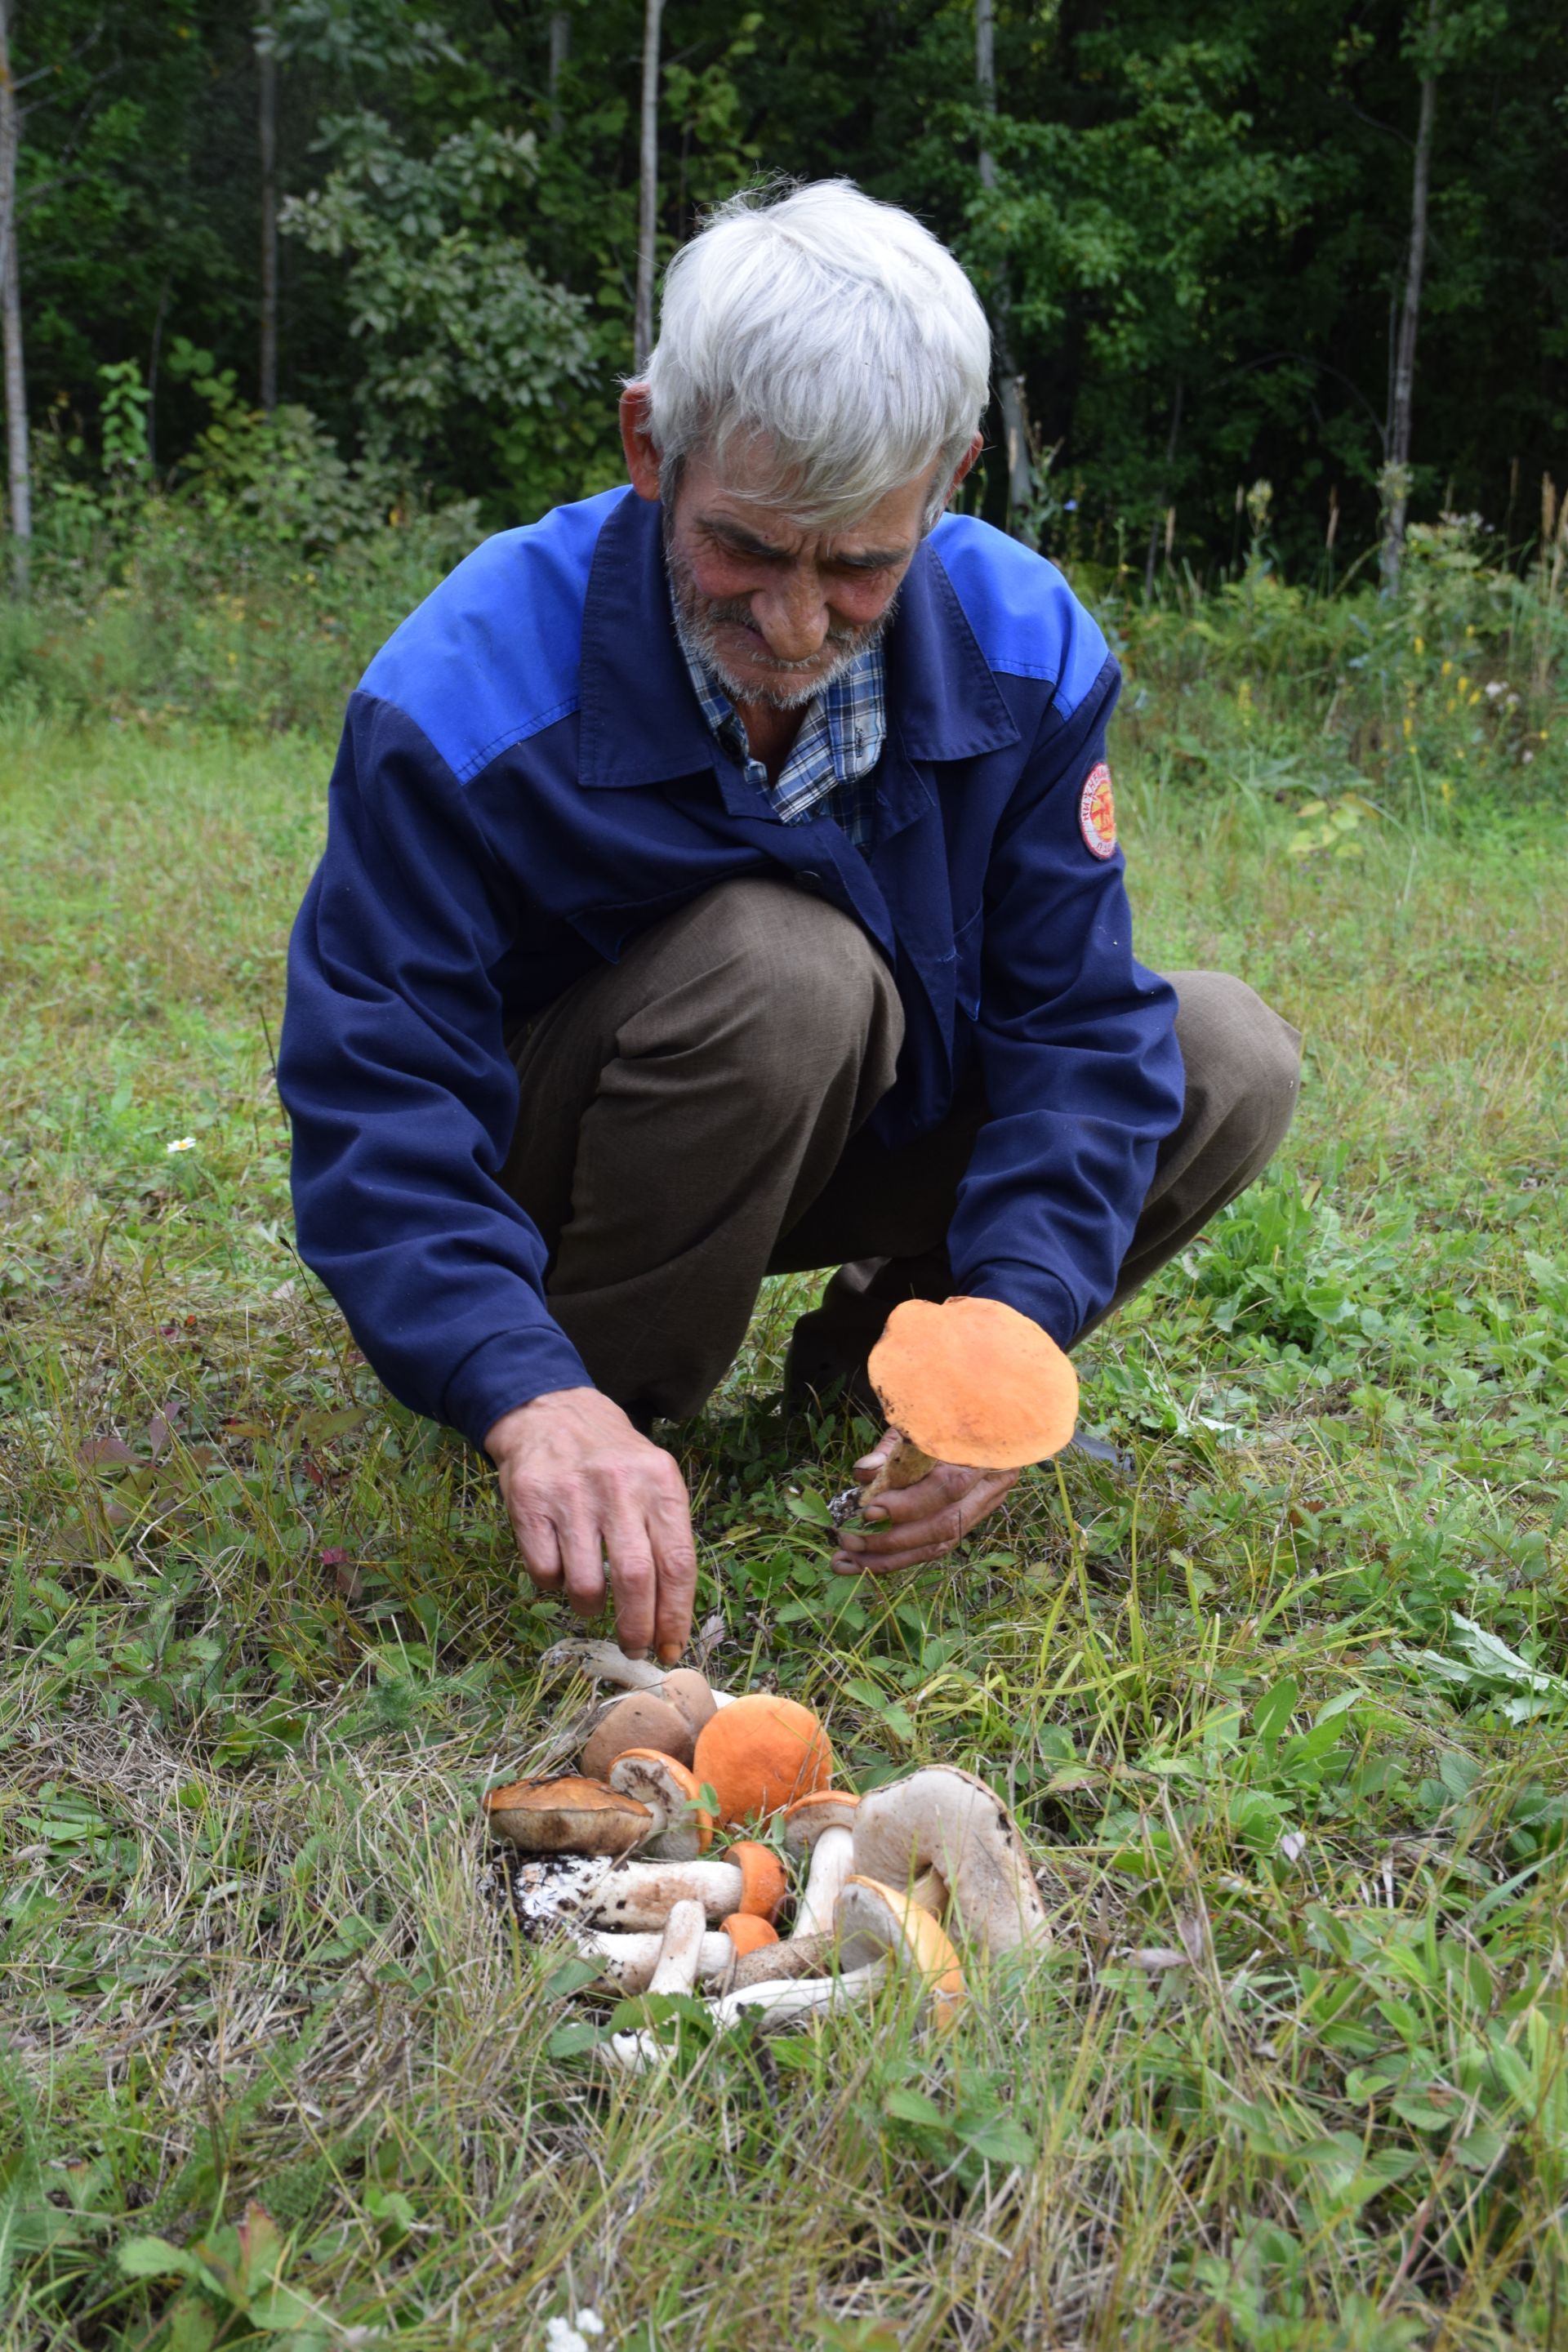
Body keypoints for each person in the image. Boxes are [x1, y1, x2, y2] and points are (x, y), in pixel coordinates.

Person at [279, 180, 1300, 1667]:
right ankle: (597, 1420)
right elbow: (377, 1096)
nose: (798, 626)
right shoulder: (465, 687)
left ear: (948, 478)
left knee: (1226, 1053)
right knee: (789, 969)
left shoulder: (1027, 647)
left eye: (861, 565)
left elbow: (1075, 1030)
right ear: (650, 446)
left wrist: (1009, 1332)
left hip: (843, 1117)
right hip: (582, 1158)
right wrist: (518, 1383)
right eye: (747, 549)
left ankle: (893, 1391)